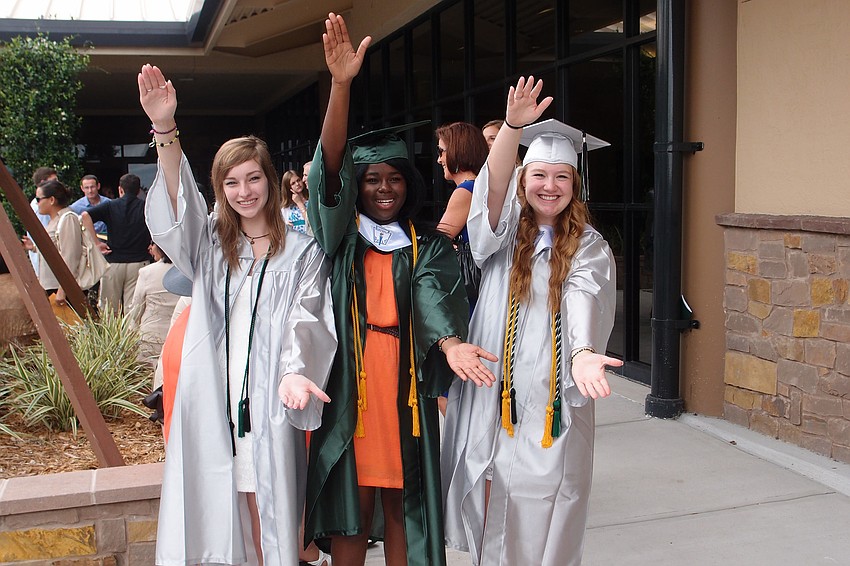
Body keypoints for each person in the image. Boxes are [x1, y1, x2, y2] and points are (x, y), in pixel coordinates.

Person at [304, 14, 496, 566]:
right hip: (352, 384)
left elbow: (435, 296)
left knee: (403, 501)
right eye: (371, 179)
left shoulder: (426, 246)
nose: (383, 188)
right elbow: (330, 172)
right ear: (357, 189)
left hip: (404, 386)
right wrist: (341, 86)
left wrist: (451, 344)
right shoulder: (342, 241)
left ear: (407, 184)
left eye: (393, 178)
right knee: (352, 502)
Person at [139, 63, 337, 565]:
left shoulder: (301, 250)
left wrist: (295, 372)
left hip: (270, 400)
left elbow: (308, 315)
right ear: (220, 188)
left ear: (270, 180)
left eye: (253, 178)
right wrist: (165, 129)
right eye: (231, 182)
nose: (244, 191)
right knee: (224, 503)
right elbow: (176, 211)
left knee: (274, 511)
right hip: (215, 400)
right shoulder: (211, 245)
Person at [441, 77, 623, 566]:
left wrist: (583, 354)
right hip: (493, 389)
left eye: (562, 177)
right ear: (524, 181)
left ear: (575, 186)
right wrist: (512, 130)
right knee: (488, 486)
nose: (549, 186)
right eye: (539, 175)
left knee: (550, 497)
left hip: (552, 394)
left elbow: (586, 295)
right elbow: (490, 193)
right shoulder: (500, 239)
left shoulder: (589, 246)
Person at [81, 173, 152, 315]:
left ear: (120, 189)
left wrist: (96, 243)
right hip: (139, 261)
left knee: (109, 308)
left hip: (114, 262)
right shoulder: (146, 207)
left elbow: (85, 216)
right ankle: (131, 336)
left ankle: (111, 336)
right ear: (138, 191)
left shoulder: (110, 206)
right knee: (132, 308)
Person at [21, 179, 88, 308]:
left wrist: (63, 290)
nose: (37, 203)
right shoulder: (55, 220)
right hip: (52, 286)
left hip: (62, 289)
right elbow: (56, 249)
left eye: (38, 199)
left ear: (51, 200)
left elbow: (70, 257)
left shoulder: (67, 218)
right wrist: (34, 248)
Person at [126, 243, 180, 368]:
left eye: (152, 244)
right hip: (177, 337)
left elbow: (136, 309)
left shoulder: (147, 272)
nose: (150, 248)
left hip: (150, 338)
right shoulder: (188, 272)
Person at [26, 166, 59, 274]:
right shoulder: (40, 207)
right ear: (43, 182)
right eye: (54, 180)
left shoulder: (42, 204)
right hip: (45, 261)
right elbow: (48, 234)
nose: (57, 183)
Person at [281, 169, 311, 235]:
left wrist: (299, 202)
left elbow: (311, 222)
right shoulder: (286, 208)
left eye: (298, 180)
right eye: (293, 183)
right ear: (288, 187)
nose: (297, 184)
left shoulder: (311, 200)